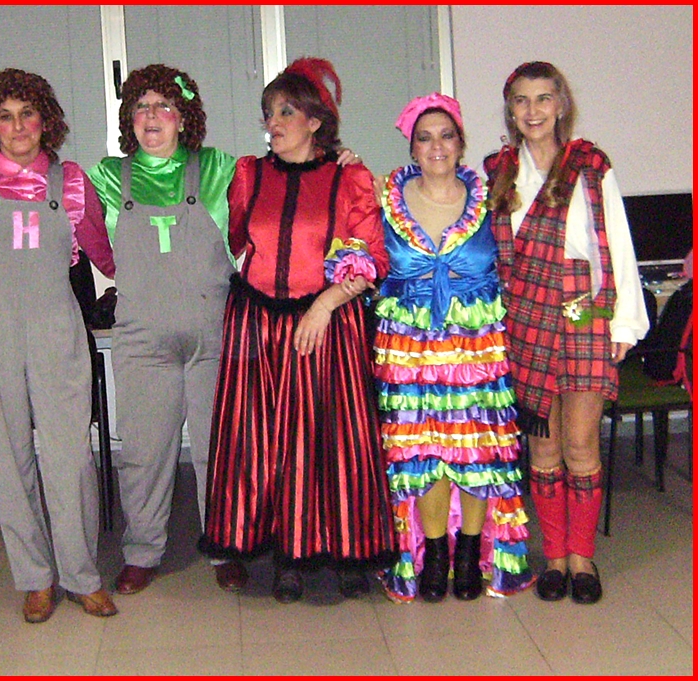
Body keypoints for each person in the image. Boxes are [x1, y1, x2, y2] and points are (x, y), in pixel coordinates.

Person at [87, 63, 364, 597]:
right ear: (129, 117)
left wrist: (337, 160)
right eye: (142, 106)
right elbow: (91, 240)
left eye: (165, 106)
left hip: (215, 335)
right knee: (143, 451)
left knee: (223, 449)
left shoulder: (221, 169)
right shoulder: (104, 177)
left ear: (183, 117)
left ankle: (224, 547)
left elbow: (266, 211)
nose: (152, 116)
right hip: (142, 338)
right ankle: (142, 551)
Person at [197, 57, 397, 603]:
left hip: (327, 323)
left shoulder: (350, 177)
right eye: (269, 112)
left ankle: (348, 551)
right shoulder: (248, 174)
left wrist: (325, 305)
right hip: (258, 324)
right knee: (269, 442)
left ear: (315, 121)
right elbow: (238, 242)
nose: (274, 122)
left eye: (287, 111)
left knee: (334, 439)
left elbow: (372, 259)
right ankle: (287, 555)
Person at [0, 68, 118, 622]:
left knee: (71, 459)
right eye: (5, 117)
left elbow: (107, 251)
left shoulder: (72, 183)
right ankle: (35, 577)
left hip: (57, 330)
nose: (18, 127)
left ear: (45, 120)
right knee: (7, 457)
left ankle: (82, 575)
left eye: (27, 114)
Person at [483, 61, 649, 604]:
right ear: (510, 110)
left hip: (584, 314)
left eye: (543, 99)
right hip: (524, 319)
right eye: (521, 100)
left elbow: (617, 242)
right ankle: (554, 557)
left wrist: (625, 322)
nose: (532, 110)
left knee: (580, 445)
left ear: (560, 105)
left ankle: (582, 558)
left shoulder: (591, 166)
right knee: (543, 446)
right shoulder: (498, 172)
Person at [373, 93, 535, 603]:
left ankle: (469, 551)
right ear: (412, 148)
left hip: (475, 348)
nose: (436, 146)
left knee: (476, 449)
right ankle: (435, 553)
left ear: (461, 143)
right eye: (425, 138)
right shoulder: (384, 200)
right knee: (423, 454)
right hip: (409, 351)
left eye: (446, 135)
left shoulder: (493, 199)